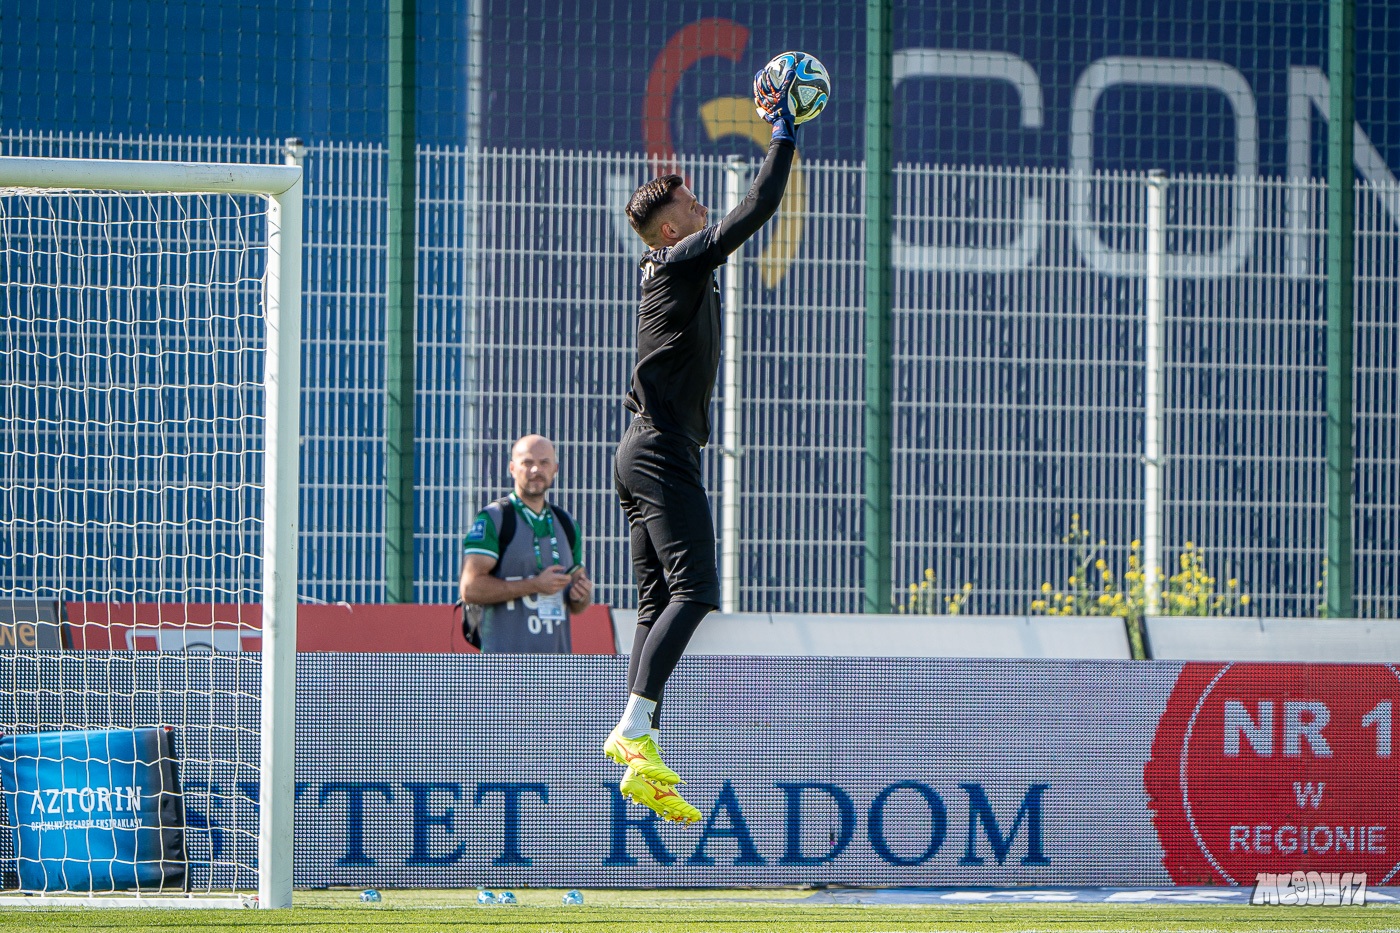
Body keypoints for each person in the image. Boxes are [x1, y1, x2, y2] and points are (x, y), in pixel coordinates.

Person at [603, 61, 800, 823]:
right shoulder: (679, 259)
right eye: (691, 204)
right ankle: (631, 728)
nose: (703, 206)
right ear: (671, 229)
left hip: (641, 448)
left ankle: (641, 749)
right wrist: (783, 128)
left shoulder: (669, 264)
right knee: (697, 591)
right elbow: (759, 206)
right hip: (659, 450)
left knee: (657, 601)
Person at [459, 434, 593, 653]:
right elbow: (470, 588)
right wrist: (534, 585)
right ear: (512, 468)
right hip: (502, 665)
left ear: (555, 469)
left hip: (557, 666)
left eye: (544, 463)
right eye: (528, 462)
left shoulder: (566, 523)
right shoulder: (495, 518)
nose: (536, 470)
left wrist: (581, 595)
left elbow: (578, 603)